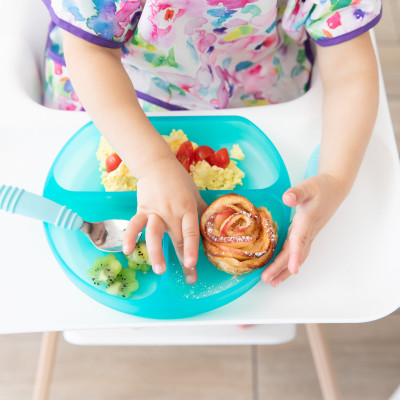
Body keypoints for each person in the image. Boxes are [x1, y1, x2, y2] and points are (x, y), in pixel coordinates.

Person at [42, 0, 381, 286]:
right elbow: (91, 52)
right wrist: (153, 165)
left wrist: (337, 178)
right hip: (125, 87)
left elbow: (350, 68)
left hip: (258, 82)